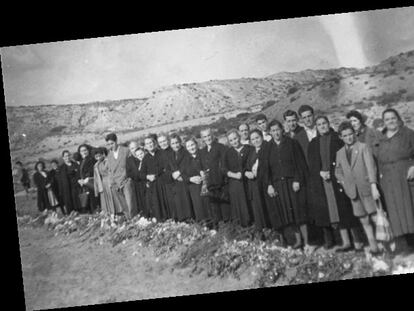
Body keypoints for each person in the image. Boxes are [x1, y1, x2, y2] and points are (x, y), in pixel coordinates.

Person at [307, 116, 361, 252]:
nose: (322, 126)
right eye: (319, 124)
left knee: (347, 208)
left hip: (339, 178)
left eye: (324, 123)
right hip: (325, 182)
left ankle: (358, 241)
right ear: (316, 127)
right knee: (335, 211)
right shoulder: (313, 143)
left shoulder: (337, 139)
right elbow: (312, 164)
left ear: (328, 123)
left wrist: (332, 172)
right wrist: (320, 173)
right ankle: (346, 242)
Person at [335, 121, 381, 255]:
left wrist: (373, 185)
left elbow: (371, 168)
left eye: (350, 134)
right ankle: (373, 246)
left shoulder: (363, 147)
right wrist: (345, 182)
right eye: (345, 135)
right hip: (353, 192)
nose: (349, 137)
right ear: (341, 137)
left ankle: (384, 243)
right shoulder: (340, 153)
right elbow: (338, 172)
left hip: (366, 188)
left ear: (354, 134)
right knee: (363, 219)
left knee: (374, 216)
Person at [265, 120, 310, 249]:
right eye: (273, 130)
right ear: (270, 132)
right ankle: (298, 241)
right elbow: (265, 169)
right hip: (278, 184)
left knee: (299, 212)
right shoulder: (267, 147)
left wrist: (297, 179)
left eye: (277, 129)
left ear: (282, 130)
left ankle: (307, 242)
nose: (276, 133)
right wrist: (269, 185)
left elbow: (300, 163)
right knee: (288, 214)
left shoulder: (292, 143)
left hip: (293, 183)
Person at [376, 108, 414, 254]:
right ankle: (403, 244)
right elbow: (377, 158)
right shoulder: (381, 138)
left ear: (398, 118)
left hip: (405, 176)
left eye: (393, 118)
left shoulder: (408, 133)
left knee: (409, 208)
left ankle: (412, 242)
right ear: (384, 122)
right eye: (387, 119)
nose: (390, 121)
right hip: (388, 180)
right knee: (395, 211)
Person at [244, 129, 274, 233]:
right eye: (253, 139)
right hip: (255, 185)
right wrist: (247, 172)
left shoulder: (269, 148)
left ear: (262, 137)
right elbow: (247, 166)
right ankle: (264, 232)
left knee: (269, 207)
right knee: (259, 209)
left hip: (266, 183)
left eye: (257, 138)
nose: (256, 141)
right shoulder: (252, 152)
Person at [223, 129, 253, 227]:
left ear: (239, 137)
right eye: (231, 140)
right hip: (235, 184)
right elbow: (223, 169)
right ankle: (244, 230)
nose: (234, 142)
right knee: (240, 208)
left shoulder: (248, 149)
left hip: (249, 182)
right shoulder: (227, 153)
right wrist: (234, 175)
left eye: (235, 138)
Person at [199, 128, 230, 224]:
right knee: (215, 209)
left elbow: (226, 164)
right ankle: (219, 229)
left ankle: (229, 229)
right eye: (205, 136)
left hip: (221, 182)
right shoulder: (202, 151)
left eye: (209, 135)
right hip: (210, 184)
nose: (207, 138)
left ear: (212, 135)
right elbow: (201, 165)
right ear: (202, 138)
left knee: (225, 208)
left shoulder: (221, 147)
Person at [106, 133, 138, 220]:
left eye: (112, 143)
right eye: (108, 144)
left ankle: (134, 218)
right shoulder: (109, 156)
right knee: (123, 203)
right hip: (116, 183)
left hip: (126, 180)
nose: (110, 146)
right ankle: (128, 219)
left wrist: (127, 178)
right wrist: (112, 183)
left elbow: (131, 166)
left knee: (130, 201)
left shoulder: (126, 151)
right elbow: (110, 171)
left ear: (116, 141)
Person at [182, 137, 211, 224]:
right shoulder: (185, 160)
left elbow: (210, 167)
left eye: (192, 145)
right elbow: (183, 175)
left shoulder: (204, 154)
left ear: (196, 144)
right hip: (194, 188)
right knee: (199, 208)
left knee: (209, 206)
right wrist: (191, 179)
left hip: (207, 185)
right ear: (186, 148)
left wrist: (205, 174)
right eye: (188, 146)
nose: (191, 148)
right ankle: (204, 227)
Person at [140, 136, 169, 221]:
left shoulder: (162, 153)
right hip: (153, 184)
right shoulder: (145, 158)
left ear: (154, 143)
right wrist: (147, 177)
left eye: (151, 143)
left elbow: (166, 167)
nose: (150, 145)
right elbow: (141, 173)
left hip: (164, 181)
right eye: (147, 144)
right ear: (145, 147)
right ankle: (160, 219)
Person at [169, 134, 194, 222]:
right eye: (173, 143)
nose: (175, 145)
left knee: (187, 199)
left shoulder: (185, 152)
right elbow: (169, 167)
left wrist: (180, 173)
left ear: (180, 142)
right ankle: (182, 219)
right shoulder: (171, 154)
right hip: (176, 181)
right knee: (179, 201)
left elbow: (188, 164)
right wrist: (173, 175)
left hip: (185, 179)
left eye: (177, 142)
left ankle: (190, 218)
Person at [157, 134, 177, 220]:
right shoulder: (159, 154)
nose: (163, 143)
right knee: (170, 201)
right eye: (161, 142)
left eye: (164, 141)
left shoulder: (173, 150)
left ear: (168, 141)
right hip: (166, 180)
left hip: (177, 179)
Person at [126, 141, 148, 217]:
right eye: (132, 148)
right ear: (129, 150)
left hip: (147, 181)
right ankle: (144, 214)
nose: (134, 150)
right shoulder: (129, 160)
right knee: (140, 200)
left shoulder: (145, 156)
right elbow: (129, 173)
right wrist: (137, 176)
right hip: (137, 183)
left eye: (135, 147)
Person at [93, 147, 116, 215]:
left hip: (110, 180)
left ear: (103, 154)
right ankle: (109, 213)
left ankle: (116, 212)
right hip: (102, 183)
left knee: (113, 197)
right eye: (96, 157)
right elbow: (96, 178)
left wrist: (112, 181)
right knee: (105, 199)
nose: (98, 158)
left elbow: (111, 171)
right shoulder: (96, 165)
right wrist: (96, 189)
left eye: (99, 156)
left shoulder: (108, 161)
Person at [59, 150, 82, 214]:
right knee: (69, 200)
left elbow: (79, 174)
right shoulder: (61, 168)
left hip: (76, 186)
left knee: (77, 200)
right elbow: (60, 181)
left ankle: (80, 212)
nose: (67, 157)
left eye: (69, 155)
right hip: (67, 187)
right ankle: (71, 214)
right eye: (66, 156)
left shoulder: (76, 164)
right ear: (63, 157)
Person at [77, 144, 98, 213]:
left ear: (88, 150)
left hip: (91, 183)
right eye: (81, 151)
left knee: (94, 201)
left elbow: (92, 171)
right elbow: (79, 173)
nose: (84, 152)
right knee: (87, 202)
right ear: (80, 153)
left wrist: (85, 179)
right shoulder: (81, 161)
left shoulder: (92, 159)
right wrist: (79, 180)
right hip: (84, 185)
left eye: (85, 150)